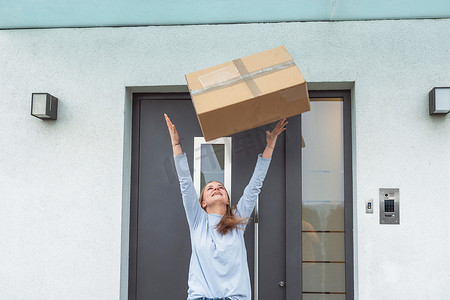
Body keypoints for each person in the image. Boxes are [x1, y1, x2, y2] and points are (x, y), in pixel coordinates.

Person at [164, 113, 287, 300]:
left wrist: (270, 145)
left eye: (220, 187)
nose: (216, 188)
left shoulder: (237, 221)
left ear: (228, 200)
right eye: (210, 188)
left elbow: (255, 185)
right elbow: (185, 182)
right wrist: (176, 145)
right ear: (202, 203)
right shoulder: (198, 221)